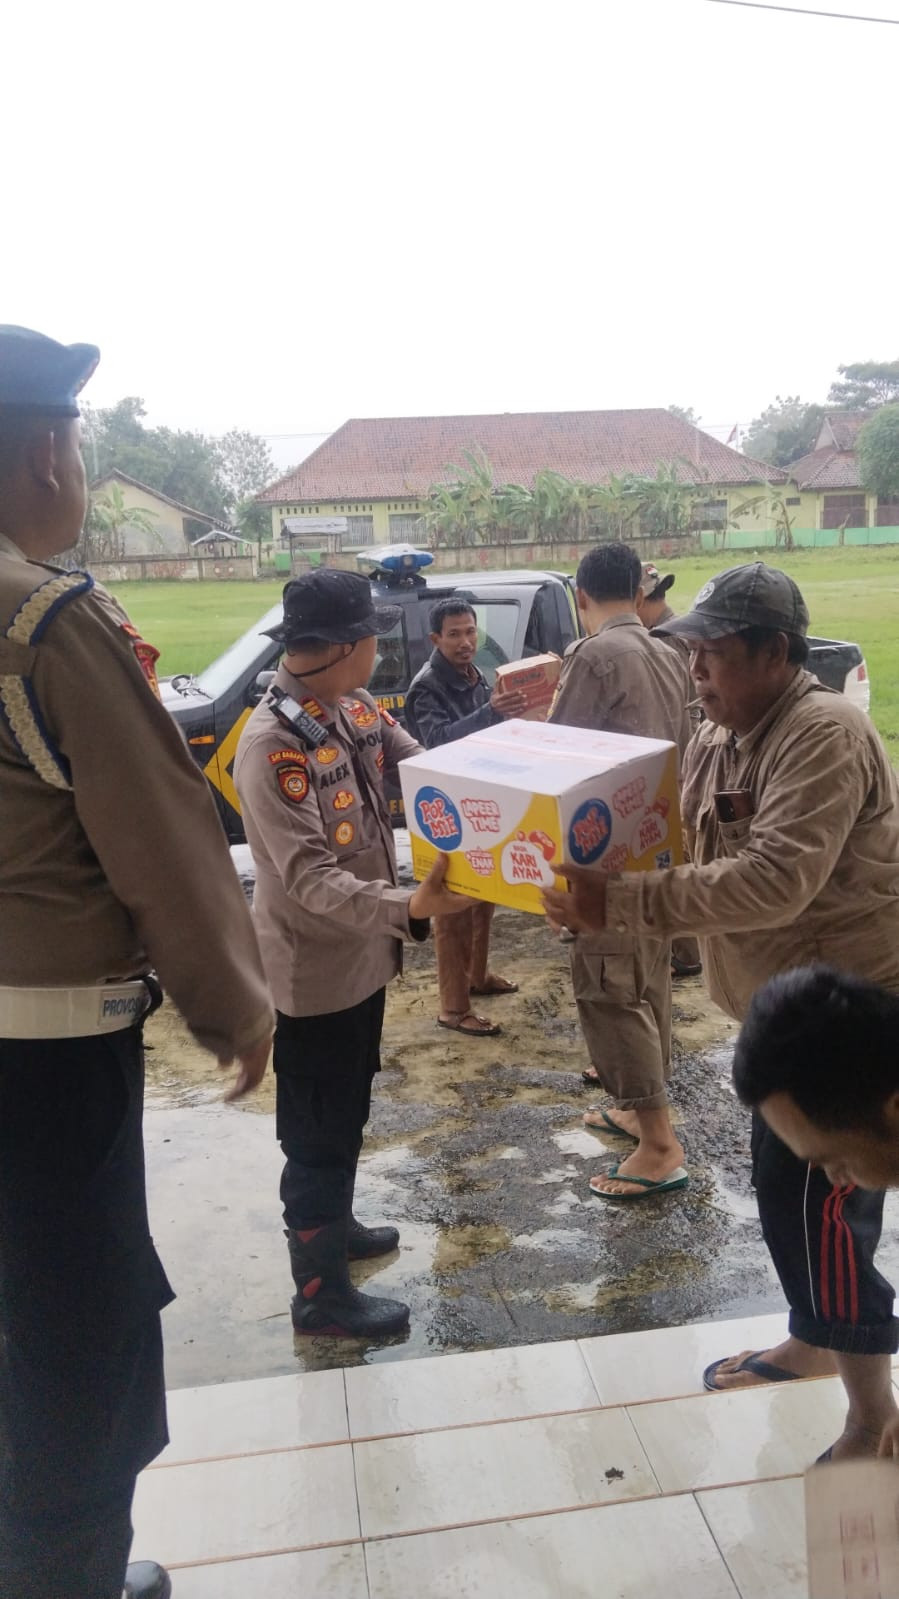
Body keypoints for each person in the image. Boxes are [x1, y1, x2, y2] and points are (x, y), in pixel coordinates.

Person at [0, 326, 274, 1599]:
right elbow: (162, 844)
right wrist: (236, 1009)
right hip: (42, 1062)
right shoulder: (45, 621)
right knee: (71, 1342)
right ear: (51, 451)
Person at [543, 561, 899, 1463]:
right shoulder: (717, 733)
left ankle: (870, 1411)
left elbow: (776, 879)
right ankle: (817, 1339)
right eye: (691, 654)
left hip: (847, 1019)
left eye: (712, 655)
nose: (695, 673)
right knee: (789, 1199)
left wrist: (615, 901)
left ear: (774, 653)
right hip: (782, 1016)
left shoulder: (820, 731)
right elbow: (669, 837)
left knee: (825, 1204)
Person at [234, 571, 474, 1338]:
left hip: (363, 958)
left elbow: (424, 763)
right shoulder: (274, 745)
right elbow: (308, 878)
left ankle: (334, 1225)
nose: (380, 646)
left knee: (348, 1106)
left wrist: (506, 733)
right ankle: (319, 1297)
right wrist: (407, 906)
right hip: (314, 973)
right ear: (343, 647)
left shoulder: (354, 708)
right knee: (315, 1133)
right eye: (372, 635)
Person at [549, 543, 693, 1200]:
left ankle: (658, 1144)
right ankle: (638, 1108)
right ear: (637, 594)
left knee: (611, 991)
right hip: (660, 845)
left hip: (606, 857)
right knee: (649, 981)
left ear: (581, 597)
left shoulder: (594, 656)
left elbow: (557, 754)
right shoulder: (668, 653)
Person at [404, 597, 526, 1038]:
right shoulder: (427, 686)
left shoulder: (478, 677)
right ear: (435, 639)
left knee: (483, 895)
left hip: (478, 799)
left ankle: (477, 976)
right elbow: (436, 741)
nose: (465, 641)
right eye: (454, 634)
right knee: (452, 907)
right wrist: (492, 711)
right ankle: (453, 1008)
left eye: (471, 631)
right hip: (445, 808)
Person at [637, 562, 702, 980]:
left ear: (639, 600)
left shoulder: (666, 639)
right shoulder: (675, 630)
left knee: (675, 859)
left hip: (680, 759)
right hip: (685, 755)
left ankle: (689, 952)